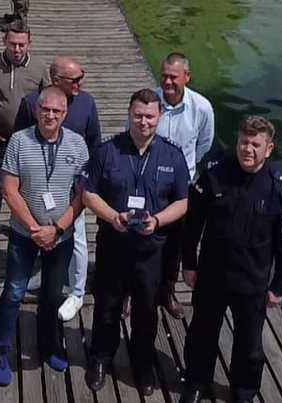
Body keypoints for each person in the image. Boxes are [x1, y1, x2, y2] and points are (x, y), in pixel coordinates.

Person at [180, 116, 282, 403]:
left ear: (269, 149)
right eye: (244, 142)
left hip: (253, 280)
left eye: (256, 144)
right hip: (212, 274)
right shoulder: (214, 173)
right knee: (201, 333)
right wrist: (189, 264)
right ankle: (197, 382)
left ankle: (243, 392)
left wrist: (279, 284)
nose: (248, 149)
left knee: (250, 344)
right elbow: (192, 223)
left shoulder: (280, 186)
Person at [83, 89, 190, 396]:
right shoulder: (107, 151)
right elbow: (88, 192)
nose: (144, 122)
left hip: (152, 251)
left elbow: (182, 202)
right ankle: (101, 357)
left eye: (150, 116)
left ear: (159, 117)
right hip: (113, 247)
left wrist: (157, 221)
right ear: (129, 115)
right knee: (106, 306)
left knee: (146, 309)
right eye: (138, 115)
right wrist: (112, 215)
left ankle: (143, 362)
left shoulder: (172, 155)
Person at [0, 87, 89, 385]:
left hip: (61, 236)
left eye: (56, 112)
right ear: (37, 110)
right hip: (24, 234)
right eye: (45, 110)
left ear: (64, 114)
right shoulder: (19, 141)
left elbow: (81, 195)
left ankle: (49, 345)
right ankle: (1, 349)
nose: (50, 115)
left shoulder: (78, 144)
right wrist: (35, 228)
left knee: (52, 294)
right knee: (14, 293)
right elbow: (9, 189)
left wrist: (57, 229)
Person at [12, 56, 102, 321]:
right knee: (39, 234)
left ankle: (76, 291)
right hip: (37, 184)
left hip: (72, 188)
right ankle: (45, 273)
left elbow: (95, 142)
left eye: (81, 77)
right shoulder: (31, 103)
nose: (80, 83)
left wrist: (87, 186)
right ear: (55, 80)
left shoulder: (87, 103)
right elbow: (19, 140)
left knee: (78, 240)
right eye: (74, 80)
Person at [0, 21, 51, 259]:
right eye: (12, 44)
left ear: (29, 43)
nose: (17, 50)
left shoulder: (39, 67)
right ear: (4, 42)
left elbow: (49, 100)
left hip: (30, 140)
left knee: (31, 185)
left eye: (21, 45)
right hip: (0, 137)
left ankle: (30, 228)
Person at [155, 52, 216, 319]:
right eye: (164, 75)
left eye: (174, 76)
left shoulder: (201, 107)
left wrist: (184, 169)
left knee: (176, 244)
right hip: (150, 184)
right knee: (141, 240)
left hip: (182, 187)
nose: (168, 81)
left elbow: (204, 143)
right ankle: (131, 293)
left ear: (187, 77)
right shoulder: (149, 101)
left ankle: (167, 292)